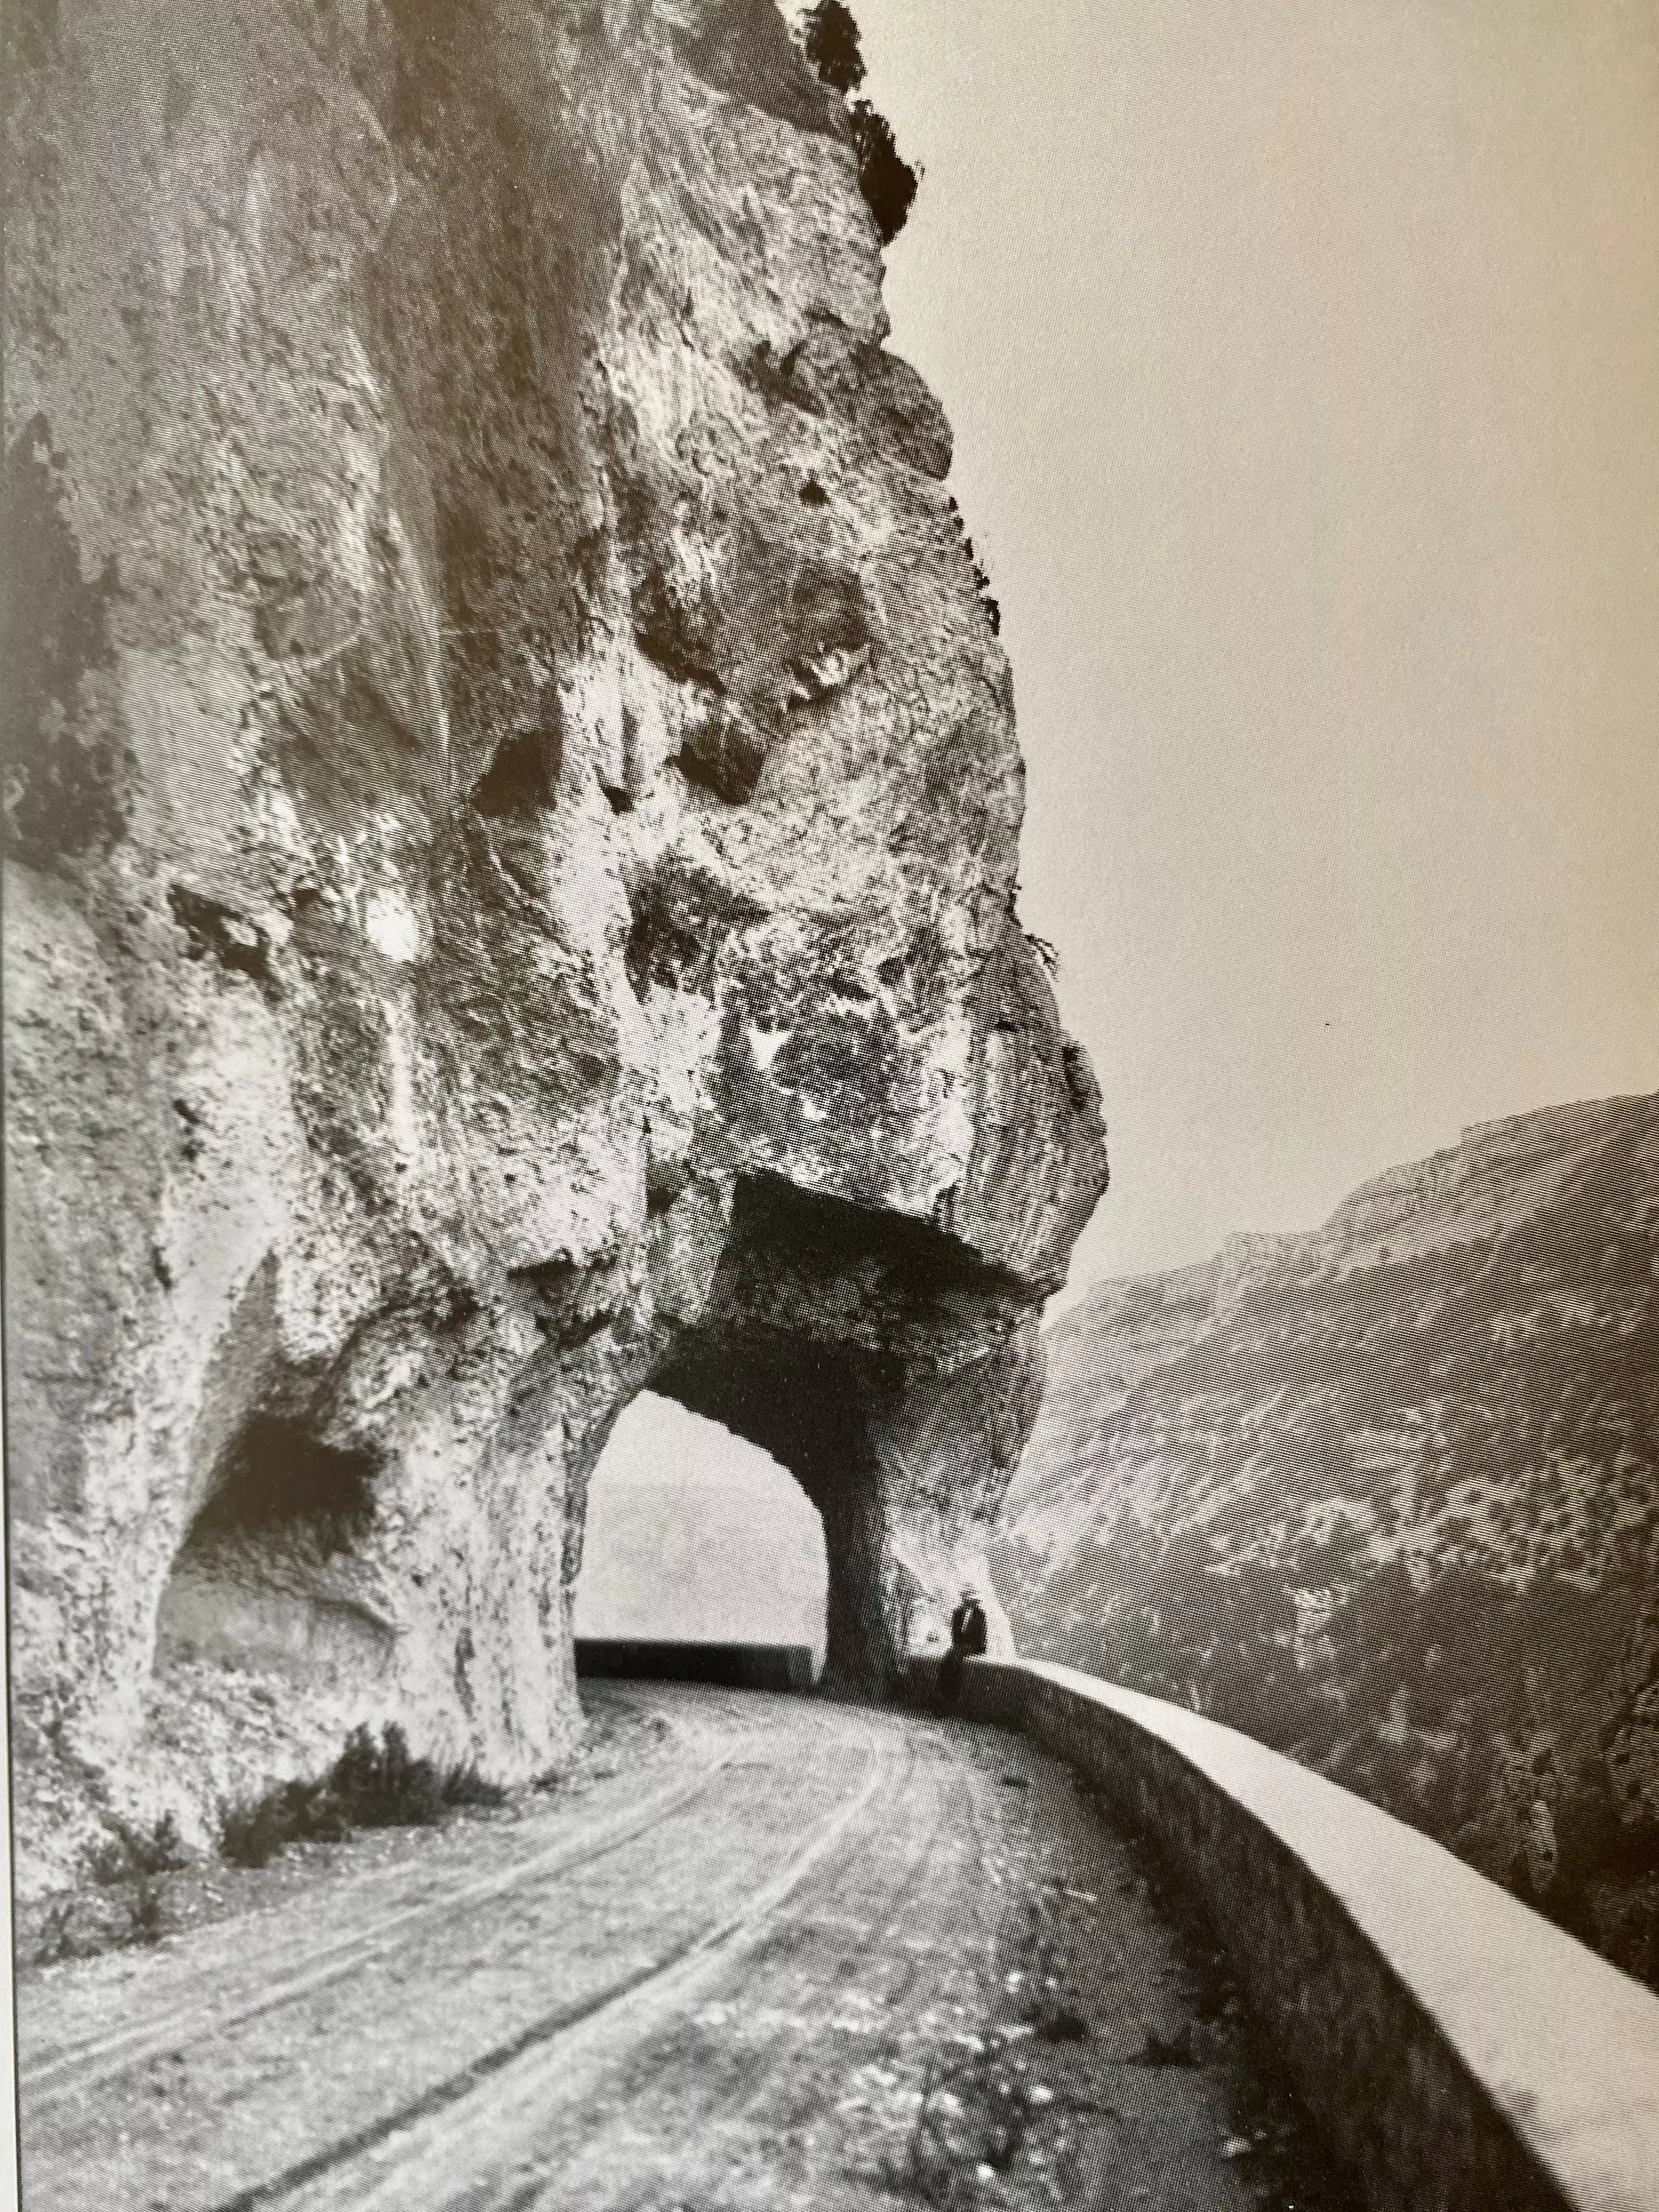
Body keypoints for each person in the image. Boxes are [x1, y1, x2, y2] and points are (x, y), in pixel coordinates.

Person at [937, 1586, 988, 1711]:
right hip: (960, 1647)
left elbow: (981, 1637)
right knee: (946, 1661)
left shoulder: (980, 1615)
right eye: (966, 1599)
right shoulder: (958, 1613)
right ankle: (944, 1696)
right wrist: (960, 1645)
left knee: (954, 1660)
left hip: (974, 1646)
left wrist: (968, 1646)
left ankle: (949, 1699)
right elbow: (955, 1634)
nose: (968, 1602)